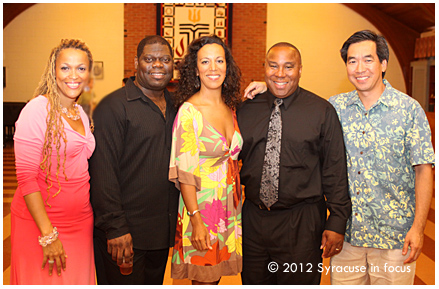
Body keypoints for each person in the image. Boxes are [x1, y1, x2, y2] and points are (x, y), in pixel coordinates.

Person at [237, 42, 352, 285]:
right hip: (254, 220)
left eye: (289, 66)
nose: (280, 73)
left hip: (302, 222)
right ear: (264, 68)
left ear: (300, 69)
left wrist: (337, 221)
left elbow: (335, 170)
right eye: (273, 66)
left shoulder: (322, 112)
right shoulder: (245, 109)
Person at [328, 30, 434, 285]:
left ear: (383, 64)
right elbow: (300, 112)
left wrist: (418, 229)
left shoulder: (409, 110)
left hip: (395, 239)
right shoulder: (335, 107)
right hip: (347, 238)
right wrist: (270, 91)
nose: (359, 68)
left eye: (368, 59)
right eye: (352, 61)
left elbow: (424, 170)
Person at [89, 36, 180, 285]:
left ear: (173, 64)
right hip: (124, 236)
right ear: (136, 63)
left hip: (161, 234)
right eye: (149, 59)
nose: (157, 65)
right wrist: (115, 227)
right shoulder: (114, 106)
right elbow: (102, 171)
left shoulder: (176, 105)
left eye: (164, 59)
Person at [10, 39, 96, 284]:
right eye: (65, 67)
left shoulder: (79, 112)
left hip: (80, 222)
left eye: (81, 68)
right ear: (53, 71)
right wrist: (47, 235)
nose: (73, 75)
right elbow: (26, 178)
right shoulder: (37, 110)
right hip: (41, 225)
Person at [168, 35, 243, 285]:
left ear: (227, 66)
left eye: (219, 61)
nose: (213, 68)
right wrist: (196, 220)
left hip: (228, 208)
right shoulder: (189, 113)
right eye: (205, 62)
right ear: (195, 70)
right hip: (201, 209)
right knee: (204, 280)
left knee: (216, 279)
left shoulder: (230, 106)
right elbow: (185, 174)